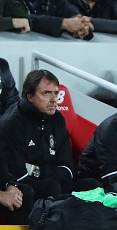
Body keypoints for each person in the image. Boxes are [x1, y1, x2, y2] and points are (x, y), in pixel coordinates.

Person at [0, 70, 101, 200]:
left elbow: (67, 167)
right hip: (23, 187)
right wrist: (52, 172)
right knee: (51, 186)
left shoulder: (57, 119)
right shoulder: (12, 122)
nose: (54, 99)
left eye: (56, 93)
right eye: (46, 93)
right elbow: (18, 173)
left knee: (93, 185)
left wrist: (39, 170)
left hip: (55, 183)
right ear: (30, 96)